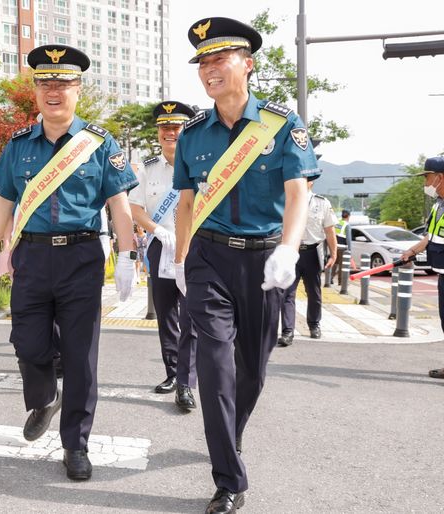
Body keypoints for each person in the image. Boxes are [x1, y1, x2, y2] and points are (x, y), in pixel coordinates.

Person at [172, 18, 320, 513]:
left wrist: (288, 248)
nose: (210, 70)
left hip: (263, 260)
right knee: (214, 368)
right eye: (203, 63)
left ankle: (228, 436)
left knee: (251, 370)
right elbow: (187, 202)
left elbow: (299, 192)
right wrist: (180, 256)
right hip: (209, 258)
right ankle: (229, 478)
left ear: (248, 64)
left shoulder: (282, 125)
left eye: (220, 60)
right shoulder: (192, 133)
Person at [0, 44, 138, 481]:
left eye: (63, 84)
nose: (54, 91)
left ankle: (76, 445)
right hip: (31, 254)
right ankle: (45, 397)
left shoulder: (100, 144)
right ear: (35, 90)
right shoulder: (18, 145)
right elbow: (2, 202)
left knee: (81, 356)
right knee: (27, 343)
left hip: (81, 257)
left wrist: (127, 257)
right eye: (46, 84)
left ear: (77, 89)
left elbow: (119, 203)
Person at [129, 101, 198, 410]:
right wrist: (156, 230)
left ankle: (187, 381)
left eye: (177, 127)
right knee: (166, 312)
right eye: (165, 128)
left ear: (186, 130)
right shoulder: (148, 167)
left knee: (192, 314)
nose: (171, 132)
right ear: (158, 133)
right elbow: (134, 208)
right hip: (161, 246)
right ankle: (172, 371)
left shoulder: (199, 164)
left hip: (194, 246)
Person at [278, 179, 338, 346]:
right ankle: (287, 331)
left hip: (312, 251)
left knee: (314, 292)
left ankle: (314, 325)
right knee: (287, 293)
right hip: (291, 251)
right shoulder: (284, 200)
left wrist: (333, 253)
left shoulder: (322, 203)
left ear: (311, 182)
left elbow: (329, 230)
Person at [401, 156, 444, 380]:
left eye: (427, 177)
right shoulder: (438, 204)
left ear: (439, 177)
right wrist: (412, 251)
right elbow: (430, 237)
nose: (425, 183)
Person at [331, 209, 351, 285]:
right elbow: (348, 239)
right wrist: (349, 250)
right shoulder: (347, 225)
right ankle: (341, 282)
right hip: (342, 248)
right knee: (342, 265)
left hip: (335, 246)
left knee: (334, 263)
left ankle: (329, 278)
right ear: (348, 216)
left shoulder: (337, 223)